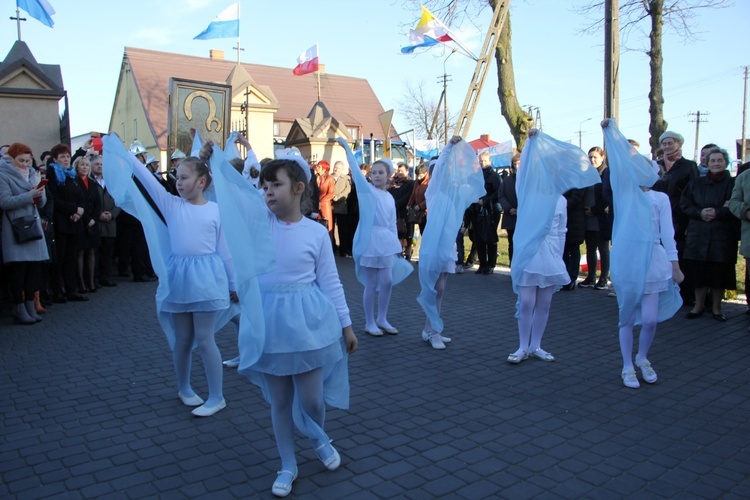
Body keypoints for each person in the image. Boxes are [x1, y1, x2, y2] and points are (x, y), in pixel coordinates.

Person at [224, 151, 357, 497]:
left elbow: (330, 283)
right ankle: (287, 463)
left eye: (276, 185)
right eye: (264, 186)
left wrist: (346, 325)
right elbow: (236, 194)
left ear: (299, 188)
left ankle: (318, 436)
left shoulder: (315, 233)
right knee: (280, 401)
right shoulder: (260, 223)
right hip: (269, 323)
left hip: (308, 324)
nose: (268, 192)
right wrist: (214, 163)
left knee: (312, 400)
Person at [104, 137, 237, 418]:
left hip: (208, 279)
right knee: (183, 339)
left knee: (204, 338)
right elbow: (148, 181)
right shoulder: (171, 205)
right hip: (180, 279)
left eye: (184, 177)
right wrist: (127, 154)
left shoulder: (215, 210)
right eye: (177, 177)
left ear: (202, 182)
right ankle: (184, 388)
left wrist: (234, 284)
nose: (178, 181)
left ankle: (216, 396)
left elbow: (224, 251)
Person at [602, 118, 683, 389]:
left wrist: (674, 264)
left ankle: (642, 358)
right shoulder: (625, 196)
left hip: (654, 261)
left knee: (649, 319)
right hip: (628, 259)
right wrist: (609, 131)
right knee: (626, 317)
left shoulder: (661, 199)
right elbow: (619, 160)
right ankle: (627, 366)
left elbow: (669, 234)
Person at [508, 129, 600, 364]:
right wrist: (531, 143)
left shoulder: (560, 201)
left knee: (545, 303)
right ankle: (522, 346)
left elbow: (561, 231)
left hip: (549, 255)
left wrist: (557, 257)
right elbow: (523, 173)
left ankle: (536, 345)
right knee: (527, 301)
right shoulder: (527, 195)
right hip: (529, 253)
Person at [417, 137, 485, 349]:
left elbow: (473, 183)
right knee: (434, 287)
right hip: (434, 245)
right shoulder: (434, 193)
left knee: (441, 288)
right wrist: (448, 148)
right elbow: (439, 171)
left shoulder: (455, 195)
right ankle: (434, 331)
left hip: (447, 246)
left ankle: (430, 329)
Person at [680, 147, 738, 321]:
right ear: (707, 162)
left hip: (722, 235)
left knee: (718, 273)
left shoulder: (732, 183)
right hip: (698, 234)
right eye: (712, 160)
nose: (716, 164)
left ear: (725, 162)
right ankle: (697, 307)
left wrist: (718, 213)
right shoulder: (696, 183)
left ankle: (717, 308)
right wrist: (700, 213)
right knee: (699, 273)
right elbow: (685, 204)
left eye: (719, 160)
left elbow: (733, 205)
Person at [0, 142, 49, 324]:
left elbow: (42, 202)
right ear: (11, 159)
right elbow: (4, 202)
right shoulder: (3, 175)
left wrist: (39, 190)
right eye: (21, 160)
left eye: (28, 160)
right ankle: (19, 307)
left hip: (33, 225)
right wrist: (30, 195)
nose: (25, 164)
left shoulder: (31, 174)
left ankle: (30, 305)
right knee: (19, 271)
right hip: (15, 227)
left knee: (33, 270)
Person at [47, 144, 88, 302]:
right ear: (55, 159)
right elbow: (55, 200)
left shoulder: (71, 175)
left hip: (74, 222)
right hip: (60, 223)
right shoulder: (53, 173)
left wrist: (79, 212)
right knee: (60, 258)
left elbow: (80, 197)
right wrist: (74, 210)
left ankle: (72, 290)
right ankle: (58, 291)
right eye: (62, 157)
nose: (65, 159)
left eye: (67, 156)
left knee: (71, 258)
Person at [579, 147, 612, 290]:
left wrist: (594, 210)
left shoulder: (606, 174)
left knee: (603, 248)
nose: (592, 160)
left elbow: (607, 196)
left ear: (602, 158)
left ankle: (604, 277)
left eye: (595, 157)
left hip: (601, 217)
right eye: (590, 157)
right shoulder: (587, 174)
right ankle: (591, 276)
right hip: (587, 217)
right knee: (590, 248)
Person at [90, 154, 120, 287]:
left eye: (102, 164)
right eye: (96, 164)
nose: (100, 166)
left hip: (110, 222)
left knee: (108, 252)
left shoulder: (111, 181)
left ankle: (106, 277)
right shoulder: (90, 181)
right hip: (96, 222)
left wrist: (112, 214)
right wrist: (98, 214)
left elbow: (119, 200)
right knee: (95, 252)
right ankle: (94, 278)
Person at [472, 151, 502, 274]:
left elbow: (498, 193)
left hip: (491, 209)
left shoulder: (494, 176)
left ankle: (491, 264)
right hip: (477, 210)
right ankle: (482, 263)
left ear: (489, 161)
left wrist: (484, 201)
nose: (482, 163)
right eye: (480, 160)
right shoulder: (476, 175)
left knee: (490, 237)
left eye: (484, 160)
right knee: (479, 238)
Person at [560, 188, 585, 290]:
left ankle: (572, 278)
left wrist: (560, 205)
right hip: (564, 220)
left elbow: (575, 199)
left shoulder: (578, 183)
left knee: (573, 249)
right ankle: (564, 276)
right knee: (564, 250)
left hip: (574, 220)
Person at [389, 162, 414, 259]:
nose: (399, 173)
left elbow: (408, 196)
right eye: (398, 171)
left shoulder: (410, 183)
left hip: (406, 212)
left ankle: (408, 254)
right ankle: (398, 253)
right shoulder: (394, 184)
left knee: (408, 234)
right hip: (396, 212)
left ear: (407, 172)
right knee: (398, 234)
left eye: (402, 171)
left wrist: (397, 204)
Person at [498, 153, 519, 265]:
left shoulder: (529, 180)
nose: (517, 166)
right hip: (510, 216)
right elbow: (501, 195)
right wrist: (509, 208)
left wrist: (520, 210)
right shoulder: (507, 181)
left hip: (524, 218)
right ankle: (513, 265)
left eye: (520, 163)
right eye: (516, 164)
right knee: (512, 243)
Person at [331, 161, 351, 254]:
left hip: (341, 206)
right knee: (331, 228)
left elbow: (347, 190)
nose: (336, 169)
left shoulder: (346, 178)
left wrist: (338, 196)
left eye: (338, 168)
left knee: (342, 229)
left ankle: (343, 248)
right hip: (330, 206)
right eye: (335, 167)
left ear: (342, 169)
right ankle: (333, 246)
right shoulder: (329, 177)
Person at [315, 161, 335, 239]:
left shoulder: (330, 178)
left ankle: (330, 246)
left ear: (324, 169)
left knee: (327, 226)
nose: (317, 167)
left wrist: (321, 202)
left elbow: (331, 193)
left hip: (325, 205)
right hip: (316, 205)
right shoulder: (316, 177)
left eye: (319, 166)